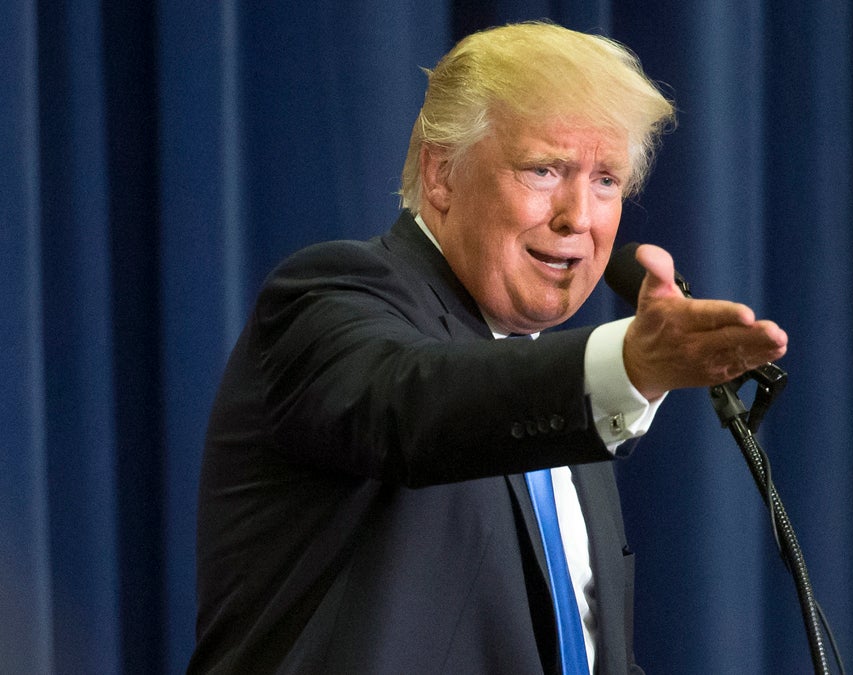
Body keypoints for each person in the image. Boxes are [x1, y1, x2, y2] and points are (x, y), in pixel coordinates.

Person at [189, 21, 787, 674]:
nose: (578, 216)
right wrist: (629, 366)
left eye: (607, 180)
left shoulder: (561, 402)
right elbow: (413, 402)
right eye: (544, 169)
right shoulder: (329, 296)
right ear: (442, 174)